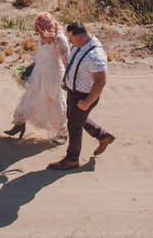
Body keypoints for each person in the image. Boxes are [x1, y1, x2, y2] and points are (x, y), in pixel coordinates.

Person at [48, 21, 116, 170]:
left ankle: (72, 159)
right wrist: (67, 80)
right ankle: (103, 136)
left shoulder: (95, 55)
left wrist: (86, 102)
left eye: (71, 39)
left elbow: (100, 82)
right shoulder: (80, 45)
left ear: (80, 38)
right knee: (74, 117)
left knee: (74, 126)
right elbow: (73, 64)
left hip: (84, 95)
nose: (70, 42)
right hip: (74, 91)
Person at [3, 12, 69, 142]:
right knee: (29, 96)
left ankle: (62, 131)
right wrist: (32, 65)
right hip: (39, 70)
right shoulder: (42, 35)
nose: (36, 29)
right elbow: (41, 52)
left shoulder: (59, 38)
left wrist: (67, 79)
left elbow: (67, 60)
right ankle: (19, 123)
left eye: (38, 26)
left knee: (54, 101)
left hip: (52, 74)